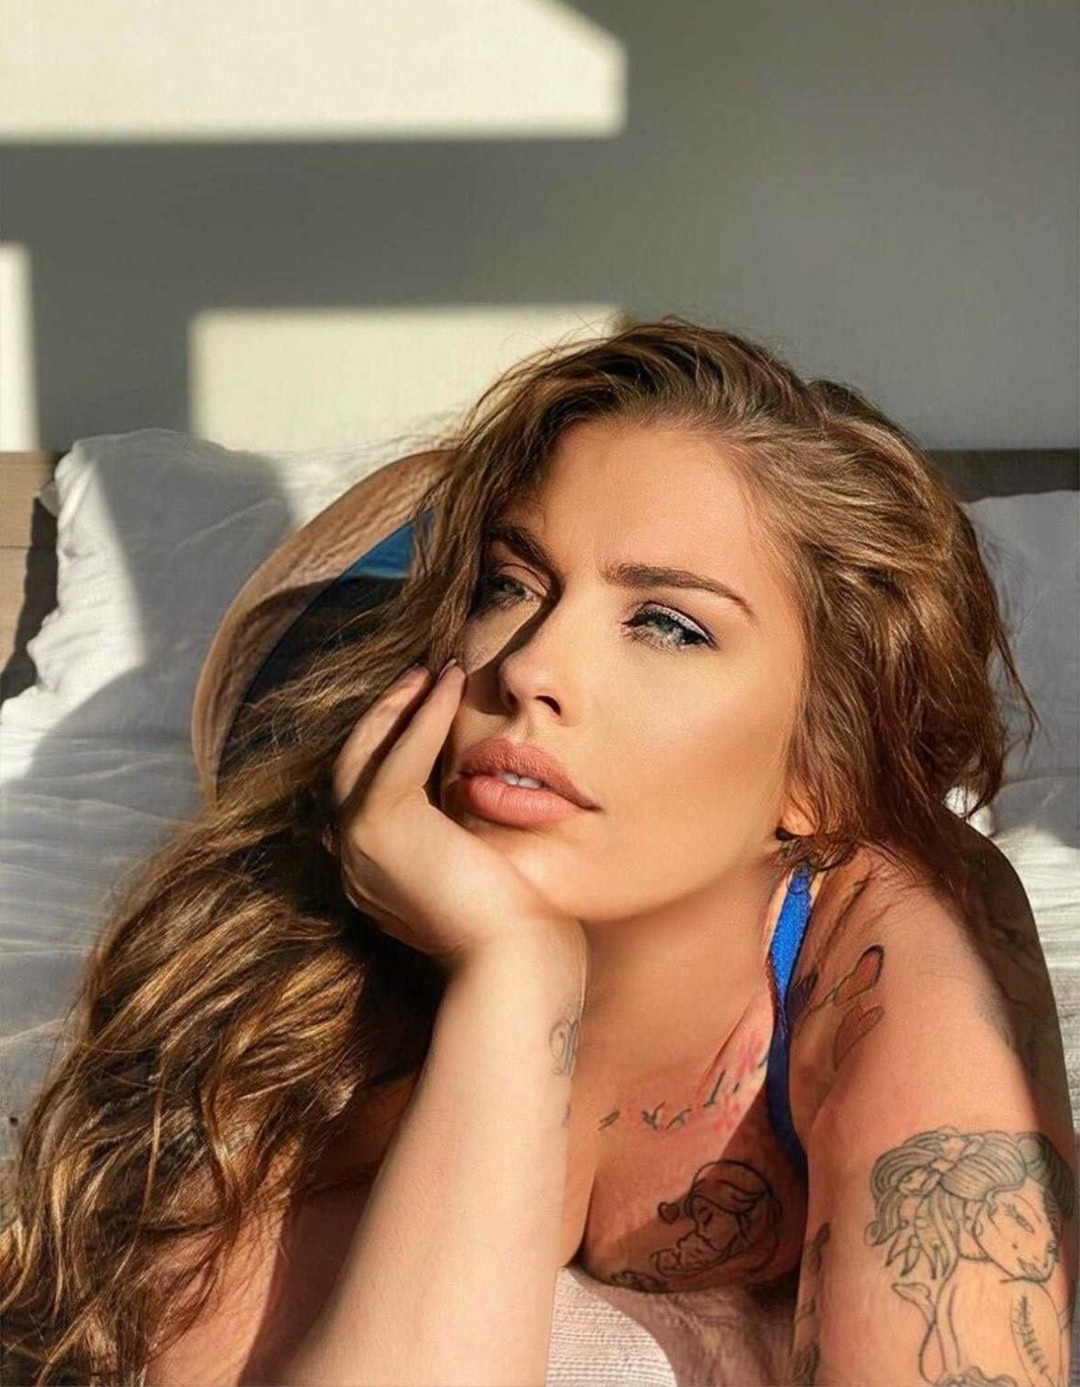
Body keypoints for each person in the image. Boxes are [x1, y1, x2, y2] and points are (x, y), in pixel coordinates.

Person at [0, 317, 1074, 1385]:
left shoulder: (913, 949)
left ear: (819, 771)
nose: (528, 667)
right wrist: (513, 976)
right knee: (300, 719)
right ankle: (426, 543)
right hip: (339, 660)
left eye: (669, 624)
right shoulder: (321, 928)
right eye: (510, 585)